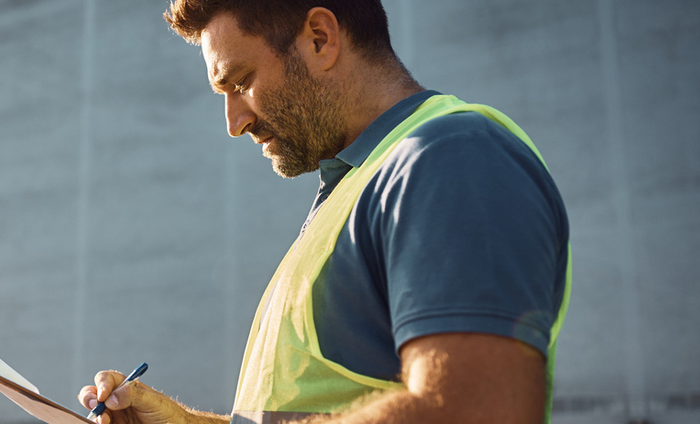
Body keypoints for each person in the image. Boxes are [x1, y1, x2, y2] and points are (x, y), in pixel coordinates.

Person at [78, 1, 571, 424]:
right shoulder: (355, 188)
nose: (235, 122)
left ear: (320, 38)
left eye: (241, 81)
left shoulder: (452, 159)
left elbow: (477, 410)